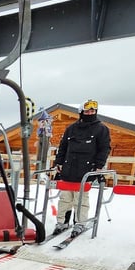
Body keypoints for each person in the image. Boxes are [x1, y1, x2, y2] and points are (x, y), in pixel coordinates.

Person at [53, 98, 111, 232]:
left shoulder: (101, 129)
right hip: (68, 169)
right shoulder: (71, 129)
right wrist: (59, 162)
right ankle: (62, 222)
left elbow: (104, 148)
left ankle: (79, 223)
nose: (90, 113)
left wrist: (99, 165)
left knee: (81, 200)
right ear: (81, 112)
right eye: (87, 111)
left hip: (86, 170)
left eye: (92, 111)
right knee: (65, 198)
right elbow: (63, 147)